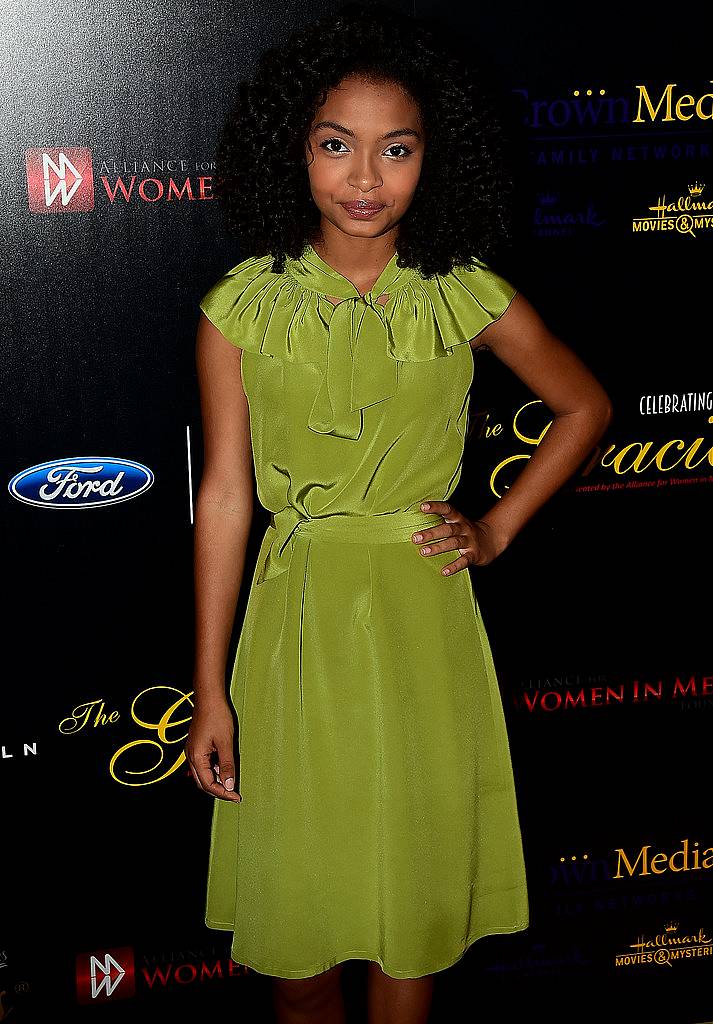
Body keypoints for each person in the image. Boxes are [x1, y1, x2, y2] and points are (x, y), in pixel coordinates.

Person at [185, 3, 612, 1022]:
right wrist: (209, 686)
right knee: (297, 943)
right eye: (336, 145)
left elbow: (582, 406)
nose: (364, 179)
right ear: (292, 151)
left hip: (421, 623)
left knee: (408, 931)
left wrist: (497, 528)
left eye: (395, 150)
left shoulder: (463, 294)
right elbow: (227, 497)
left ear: (435, 160)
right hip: (291, 631)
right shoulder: (236, 309)